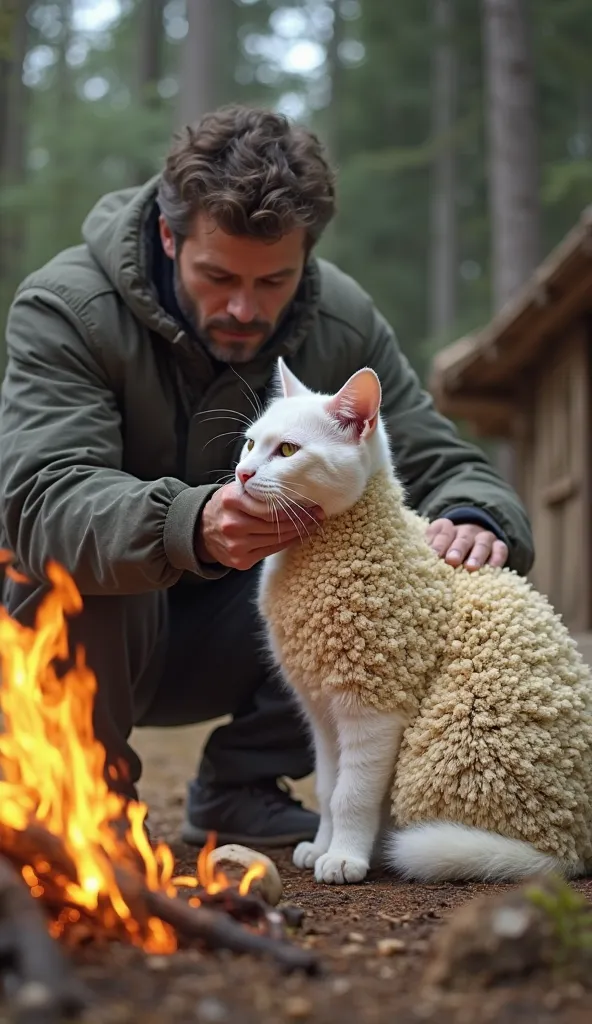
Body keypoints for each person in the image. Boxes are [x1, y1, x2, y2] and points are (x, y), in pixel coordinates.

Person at [0, 105, 534, 849]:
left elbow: (442, 461)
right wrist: (187, 524)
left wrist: (479, 518)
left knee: (368, 569)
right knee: (65, 553)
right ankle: (84, 793)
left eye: (274, 279)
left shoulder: (343, 320)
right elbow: (40, 497)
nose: (245, 308)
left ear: (306, 258)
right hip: (108, 628)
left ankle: (242, 784)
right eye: (217, 276)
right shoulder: (68, 308)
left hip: (239, 631)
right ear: (167, 234)